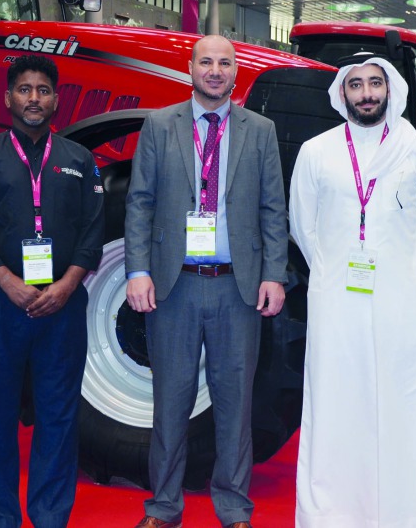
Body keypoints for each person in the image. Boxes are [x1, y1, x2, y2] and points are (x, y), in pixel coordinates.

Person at [125, 34, 288, 528]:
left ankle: (234, 507)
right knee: (170, 402)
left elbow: (272, 210)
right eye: (206, 62)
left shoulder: (260, 130)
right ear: (190, 67)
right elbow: (140, 202)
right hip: (174, 286)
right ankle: (163, 508)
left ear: (235, 72)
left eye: (224, 63)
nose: (215, 70)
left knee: (235, 404)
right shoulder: (159, 125)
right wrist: (137, 270)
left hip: (237, 288)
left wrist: (275, 276)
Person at [289, 57, 416, 528]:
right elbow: (303, 224)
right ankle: (333, 512)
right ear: (343, 95)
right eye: (356, 85)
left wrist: (400, 274)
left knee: (403, 399)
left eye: (375, 84)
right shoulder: (317, 151)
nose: (366, 94)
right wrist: (333, 272)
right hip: (336, 296)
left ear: (391, 91)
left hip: (401, 299)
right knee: (335, 399)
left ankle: (407, 512)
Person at [0, 54, 104, 528]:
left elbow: (93, 230)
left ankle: (50, 517)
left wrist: (67, 284)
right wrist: (7, 281)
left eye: (42, 90)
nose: (33, 98)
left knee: (58, 419)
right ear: (8, 98)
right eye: (24, 89)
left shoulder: (80, 161)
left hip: (62, 308)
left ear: (56, 99)